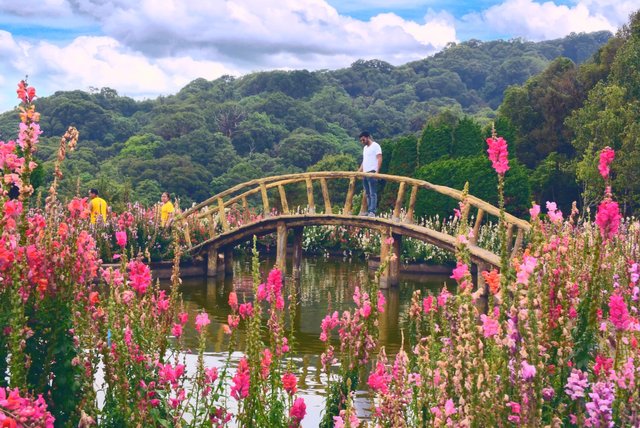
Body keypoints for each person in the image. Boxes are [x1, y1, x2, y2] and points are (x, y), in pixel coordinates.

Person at [357, 131, 382, 217]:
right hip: (365, 173)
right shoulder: (365, 148)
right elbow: (364, 161)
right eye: (361, 140)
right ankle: (369, 210)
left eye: (363, 139)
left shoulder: (376, 146)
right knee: (367, 193)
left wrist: (377, 172)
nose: (362, 142)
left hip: (372, 172)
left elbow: (379, 158)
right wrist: (359, 171)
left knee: (372, 193)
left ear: (367, 137)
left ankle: (372, 211)